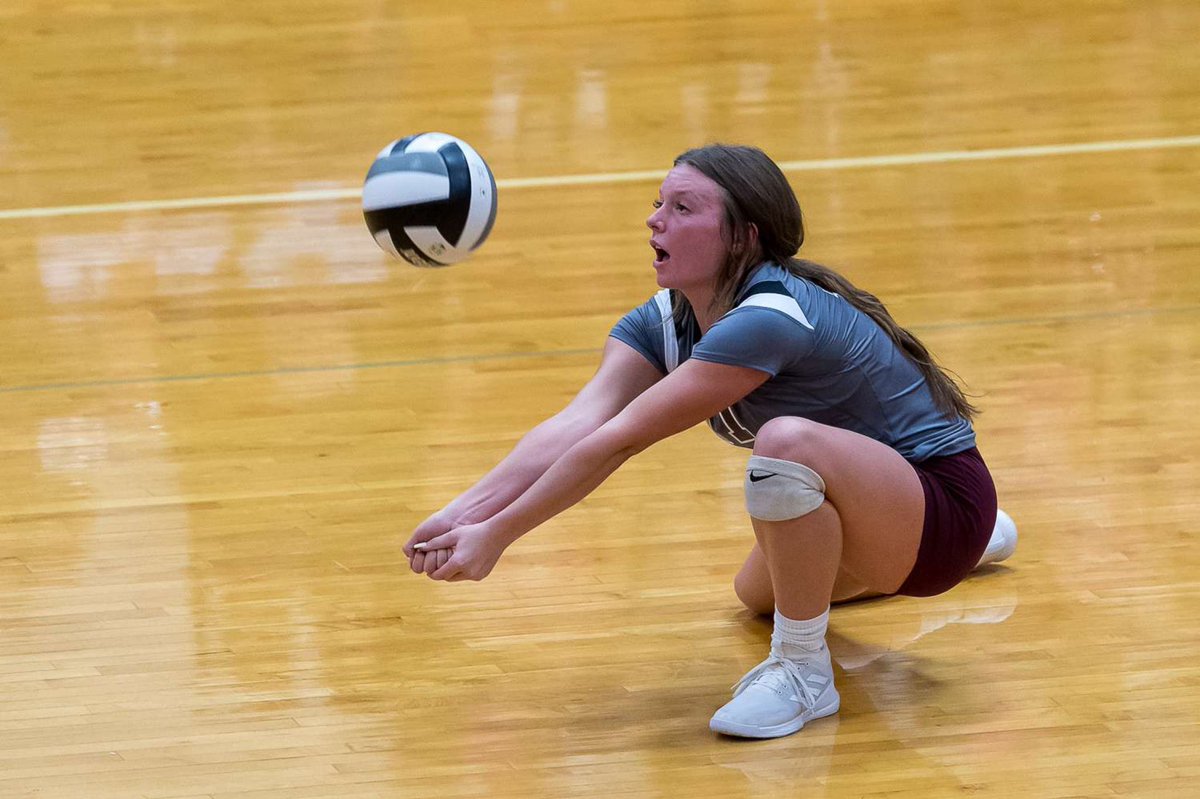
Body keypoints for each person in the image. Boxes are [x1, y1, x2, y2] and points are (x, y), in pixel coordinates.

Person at [403, 143, 1017, 740]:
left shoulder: (767, 318)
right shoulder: (662, 320)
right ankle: (981, 543)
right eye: (658, 202)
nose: (654, 219)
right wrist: (462, 513)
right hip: (887, 512)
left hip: (943, 511)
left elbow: (619, 442)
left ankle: (804, 673)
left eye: (683, 208)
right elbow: (578, 423)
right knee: (758, 596)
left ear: (744, 236)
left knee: (786, 443)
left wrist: (498, 538)